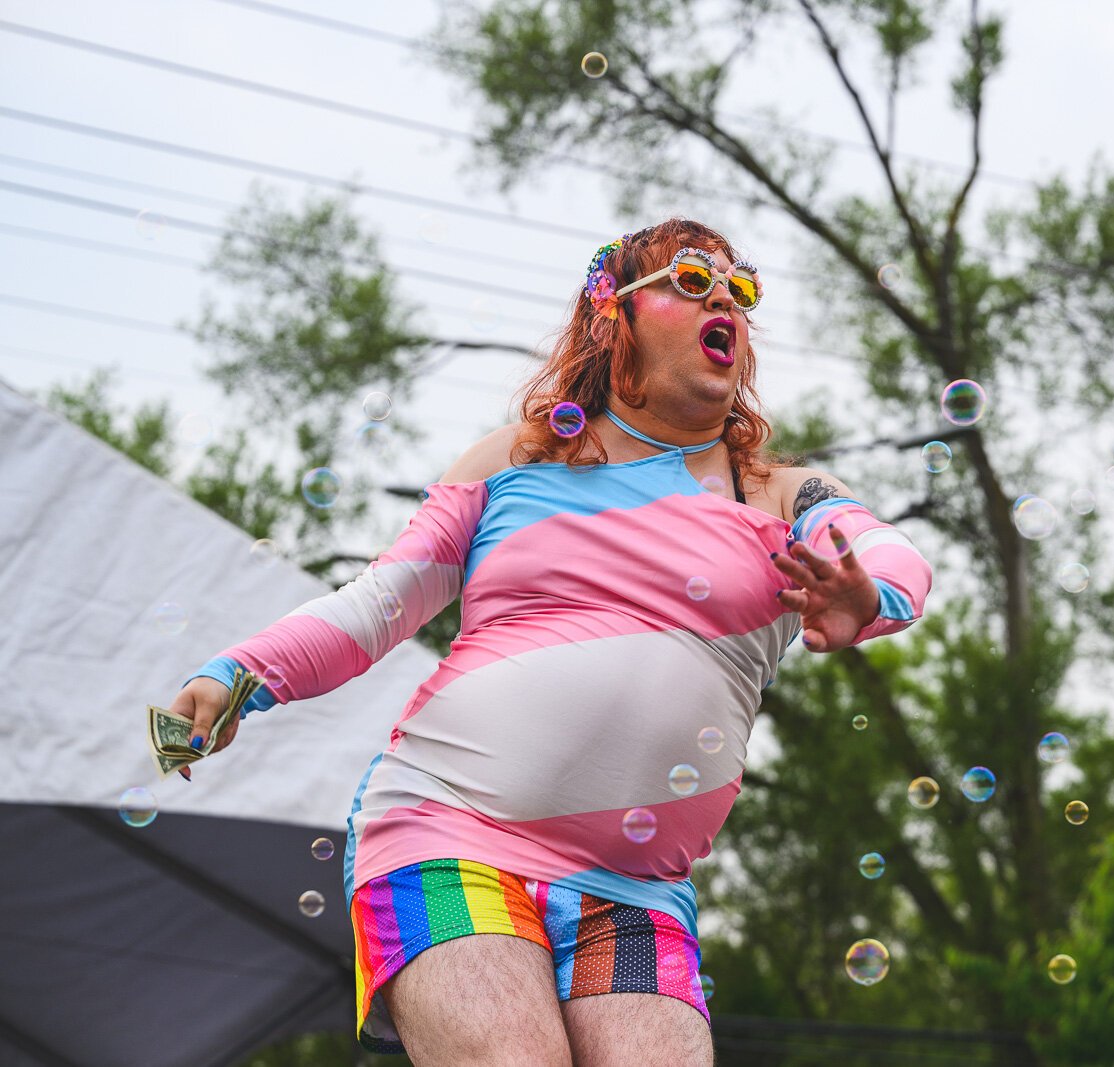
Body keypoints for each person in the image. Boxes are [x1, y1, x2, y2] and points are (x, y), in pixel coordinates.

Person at [165, 218, 933, 1066]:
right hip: (448, 832)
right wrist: (241, 672)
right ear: (615, 316)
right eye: (686, 278)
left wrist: (867, 593)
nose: (723, 296)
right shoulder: (519, 459)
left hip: (636, 892)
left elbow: (892, 554)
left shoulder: (780, 495)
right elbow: (378, 603)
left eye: (739, 290)